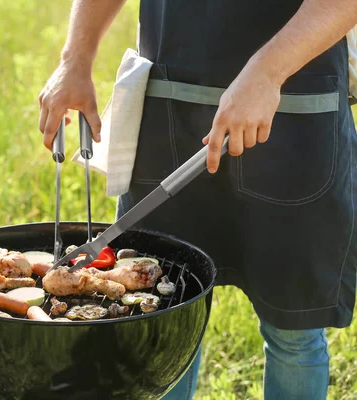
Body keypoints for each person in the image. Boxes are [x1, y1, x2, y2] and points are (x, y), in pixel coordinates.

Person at [38, 1, 357, 399]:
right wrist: (75, 59)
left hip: (290, 109)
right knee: (159, 315)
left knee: (293, 331)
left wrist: (266, 72)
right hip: (166, 112)